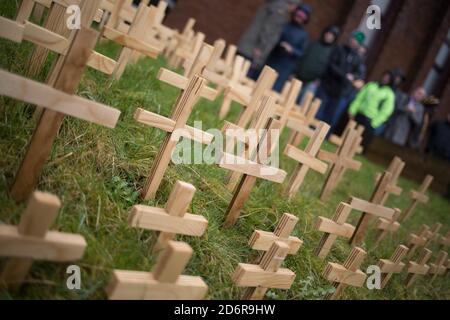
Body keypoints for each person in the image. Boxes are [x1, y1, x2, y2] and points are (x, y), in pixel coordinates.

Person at [237, 0, 301, 80]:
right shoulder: (280, 10)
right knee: (239, 77)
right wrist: (260, 47)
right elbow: (267, 30)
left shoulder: (274, 4)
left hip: (248, 46)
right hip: (253, 50)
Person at [315, 31, 366, 132]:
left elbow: (359, 74)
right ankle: (312, 128)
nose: (353, 41)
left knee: (331, 115)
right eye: (353, 39)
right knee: (319, 110)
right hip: (327, 85)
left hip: (340, 90)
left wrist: (353, 77)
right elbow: (331, 65)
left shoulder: (357, 58)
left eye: (356, 41)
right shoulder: (339, 49)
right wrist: (345, 76)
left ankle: (323, 133)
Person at [266, 4, 312, 92]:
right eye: (298, 15)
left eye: (301, 16)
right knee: (262, 83)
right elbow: (272, 38)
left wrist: (292, 50)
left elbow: (302, 53)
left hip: (285, 67)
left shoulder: (304, 35)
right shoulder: (284, 25)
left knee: (273, 91)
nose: (298, 17)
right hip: (273, 59)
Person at [348, 70, 396, 152]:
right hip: (359, 115)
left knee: (360, 145)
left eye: (388, 78)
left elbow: (386, 111)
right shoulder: (371, 85)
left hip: (370, 120)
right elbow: (360, 98)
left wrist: (374, 123)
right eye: (385, 76)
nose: (385, 79)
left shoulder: (389, 94)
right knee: (349, 138)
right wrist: (352, 109)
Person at [294, 25, 340, 103]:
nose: (329, 36)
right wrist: (294, 72)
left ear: (334, 38)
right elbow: (302, 58)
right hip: (299, 76)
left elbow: (329, 68)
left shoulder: (333, 52)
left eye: (332, 35)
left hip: (313, 81)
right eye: (328, 33)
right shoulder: (314, 44)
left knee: (302, 104)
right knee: (290, 98)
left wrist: (319, 79)